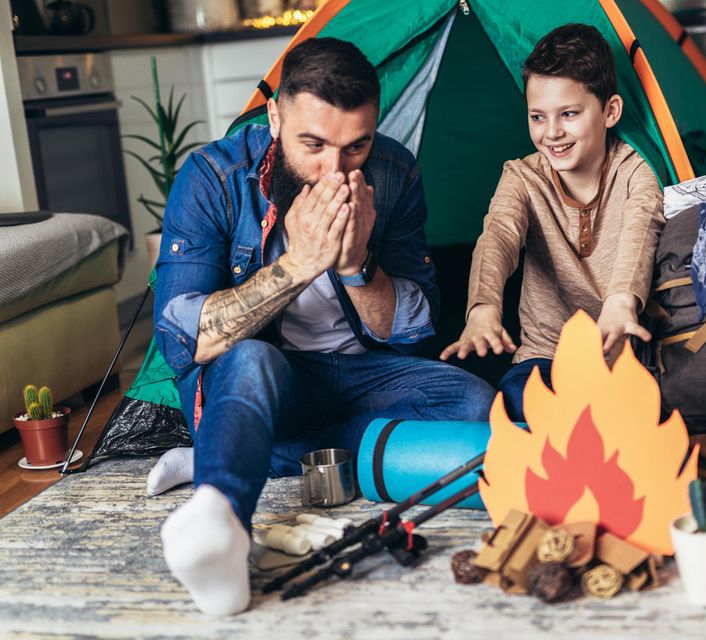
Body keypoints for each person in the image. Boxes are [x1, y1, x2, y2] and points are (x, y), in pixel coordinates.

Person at [153, 38, 495, 616]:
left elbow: (414, 332)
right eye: (312, 144)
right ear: (275, 116)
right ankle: (222, 520)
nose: (334, 171)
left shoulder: (391, 172)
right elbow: (186, 341)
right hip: (266, 377)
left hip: (361, 374)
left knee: (471, 401)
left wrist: (360, 268)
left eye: (355, 146)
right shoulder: (213, 175)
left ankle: (242, 448)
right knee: (251, 360)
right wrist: (299, 264)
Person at [441, 24, 664, 422]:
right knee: (518, 398)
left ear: (609, 111)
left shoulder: (635, 172)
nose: (552, 133)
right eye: (538, 117)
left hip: (621, 354)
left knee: (652, 406)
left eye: (569, 114)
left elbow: (640, 232)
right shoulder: (523, 177)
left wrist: (619, 304)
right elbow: (498, 236)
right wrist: (483, 307)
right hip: (547, 357)